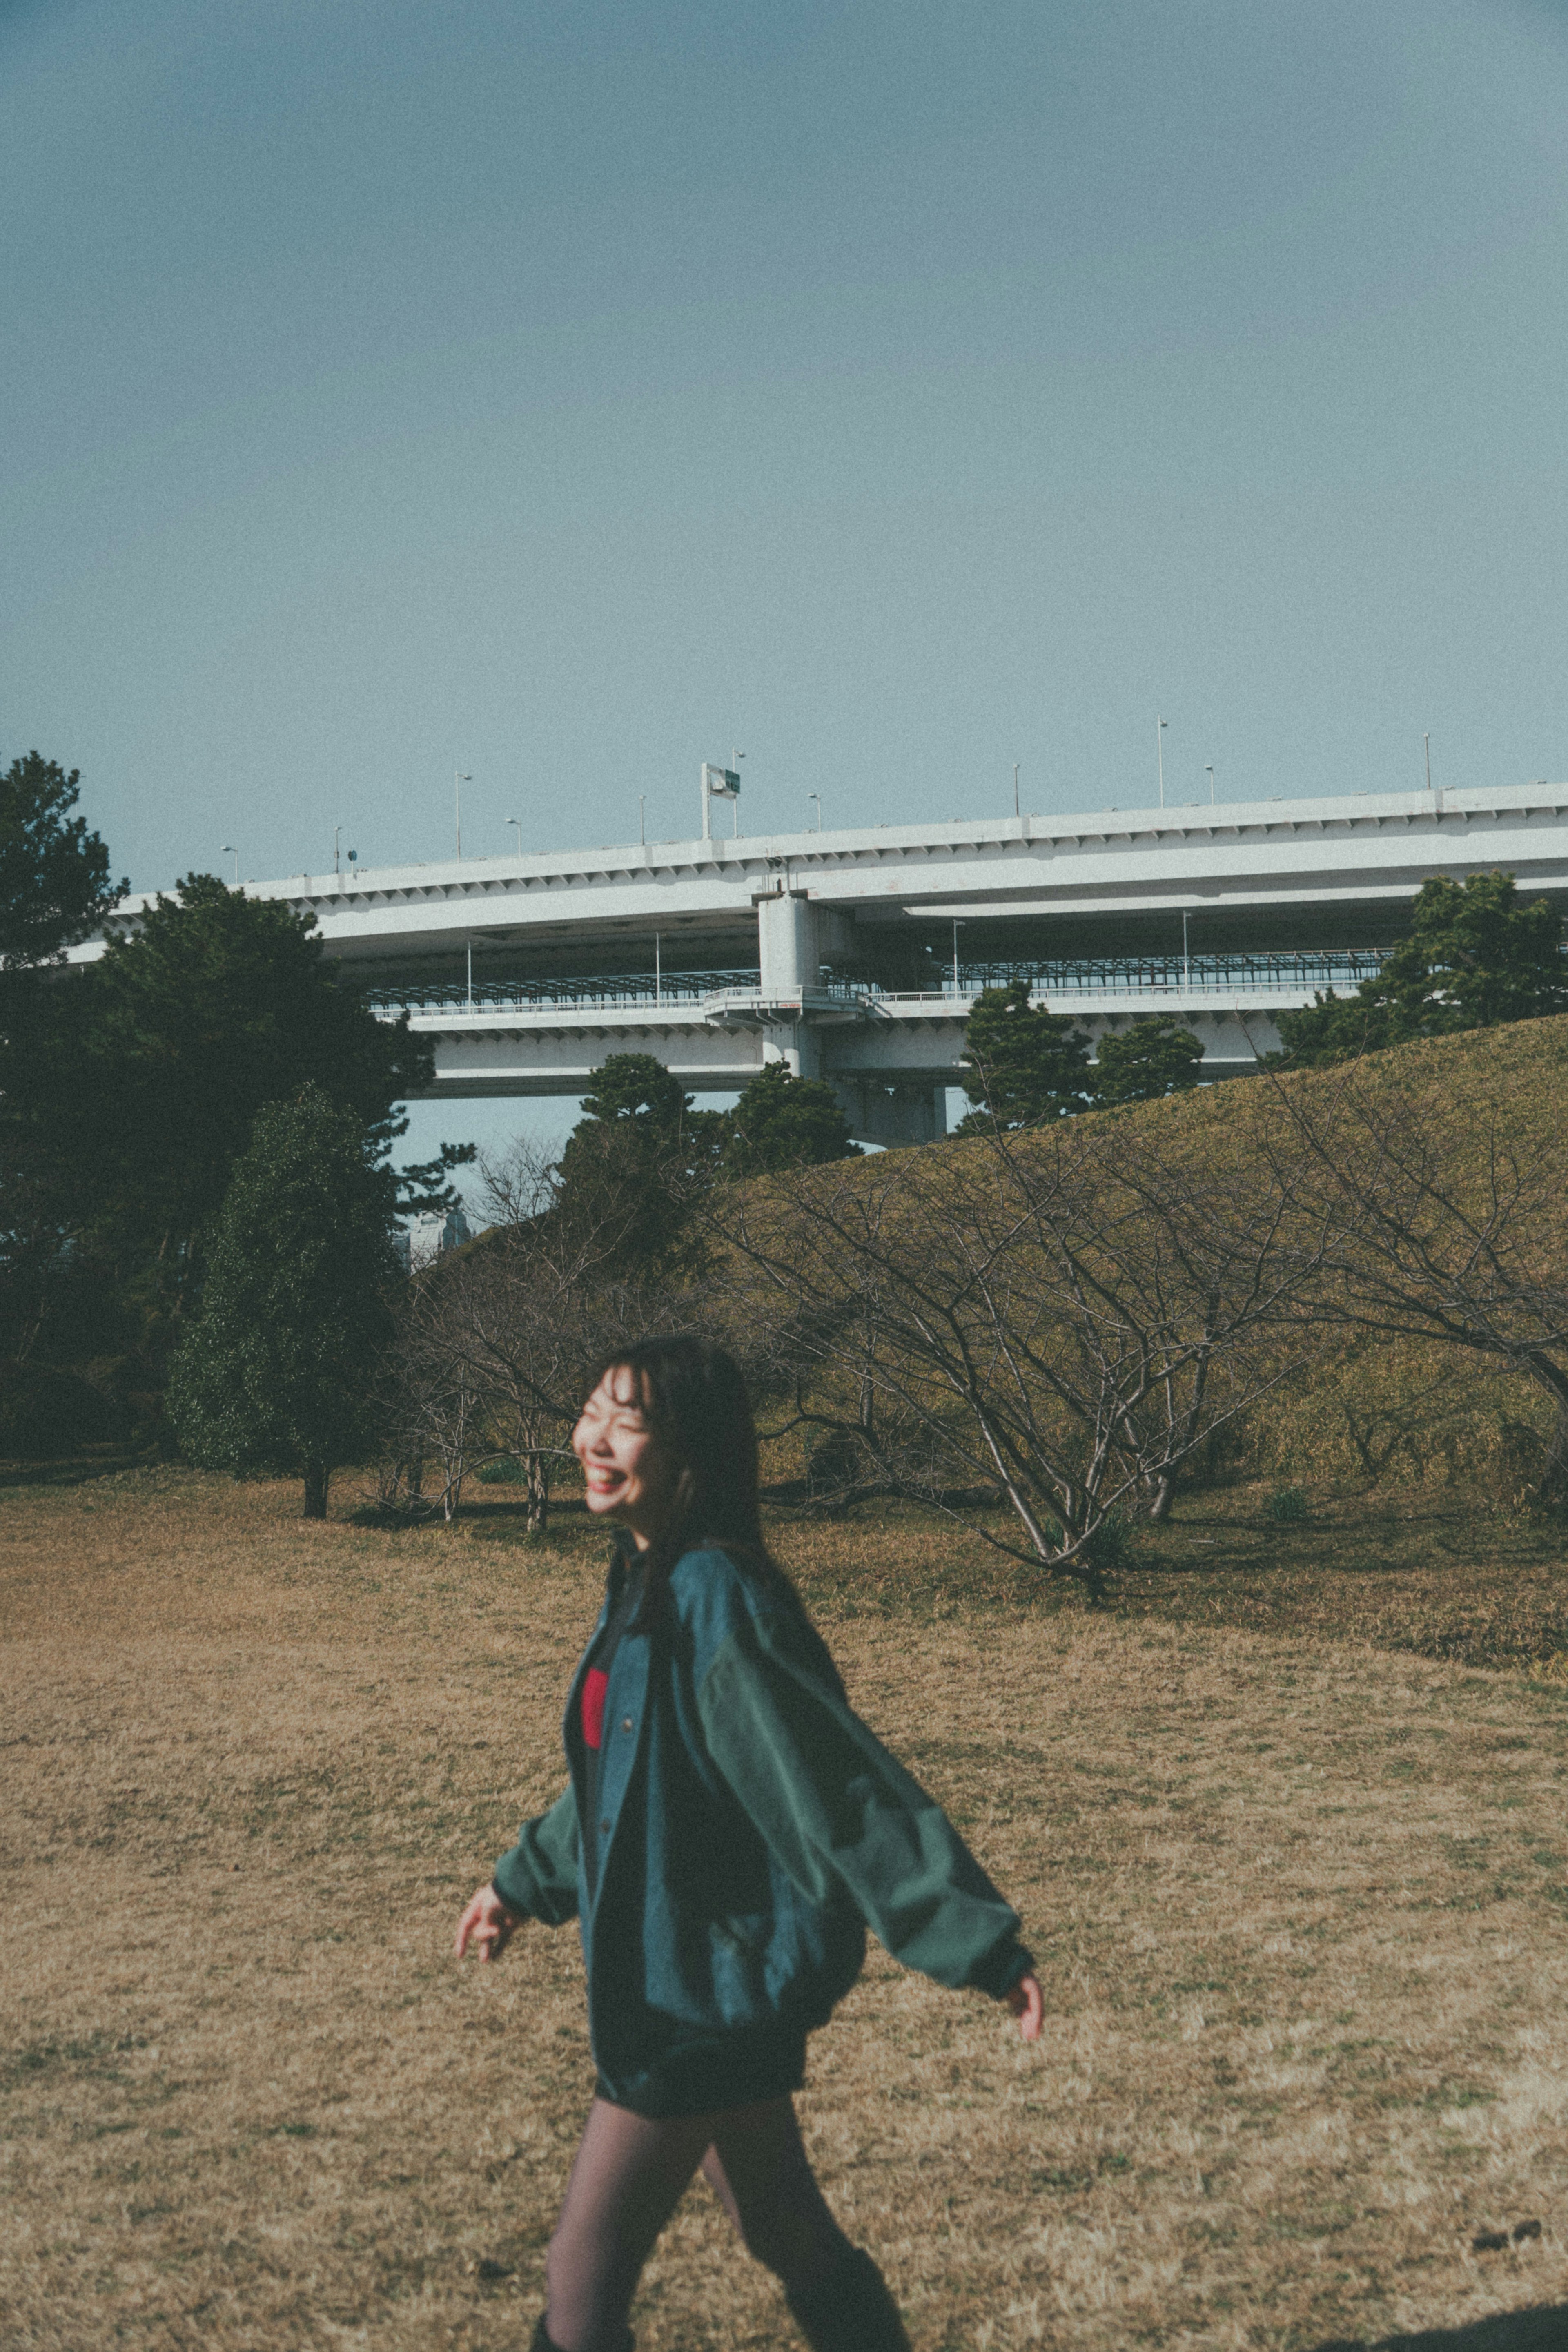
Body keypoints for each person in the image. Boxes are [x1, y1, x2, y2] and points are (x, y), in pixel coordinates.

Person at [455, 1334, 1043, 2352]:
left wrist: (972, 1941)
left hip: (696, 1996)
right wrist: (522, 1880)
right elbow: (620, 1782)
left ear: (691, 1458)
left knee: (580, 2282)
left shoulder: (715, 1599)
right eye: (593, 1410)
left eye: (626, 1422)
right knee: (784, 2228)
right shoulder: (649, 1581)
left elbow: (834, 1787)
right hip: (705, 1985)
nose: (593, 1439)